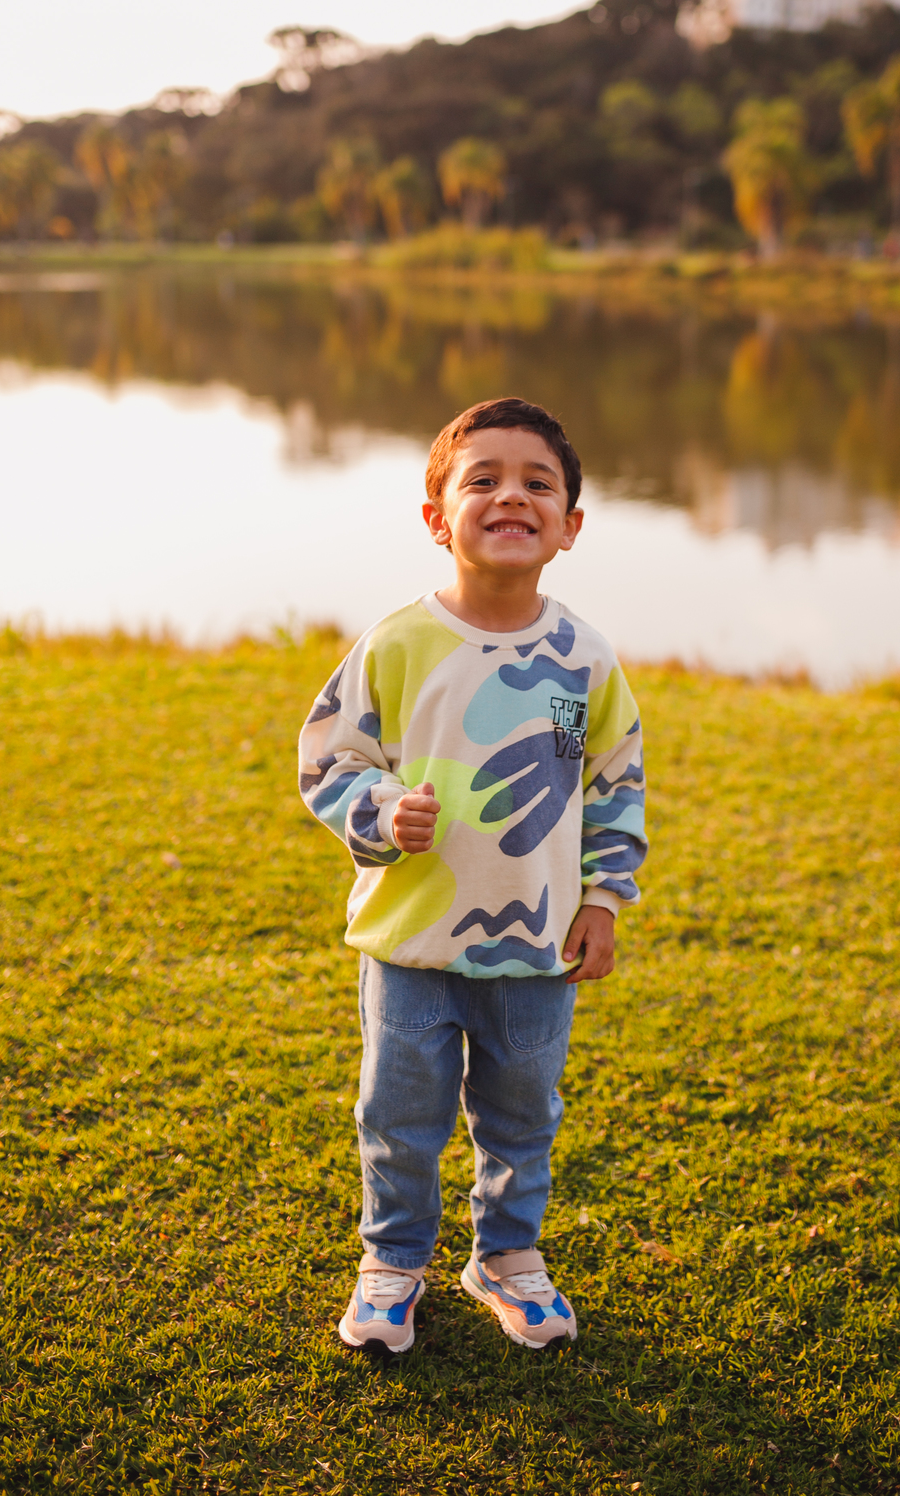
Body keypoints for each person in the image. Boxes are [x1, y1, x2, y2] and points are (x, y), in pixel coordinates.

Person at [298, 396, 647, 1355]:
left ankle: (506, 1256)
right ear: (437, 516)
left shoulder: (581, 663)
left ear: (570, 525)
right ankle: (394, 1260)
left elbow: (605, 783)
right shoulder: (399, 646)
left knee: (522, 1116)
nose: (511, 496)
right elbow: (330, 762)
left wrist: (605, 899)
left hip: (535, 945)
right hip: (413, 943)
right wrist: (379, 810)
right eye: (482, 478)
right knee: (399, 1116)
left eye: (538, 483)